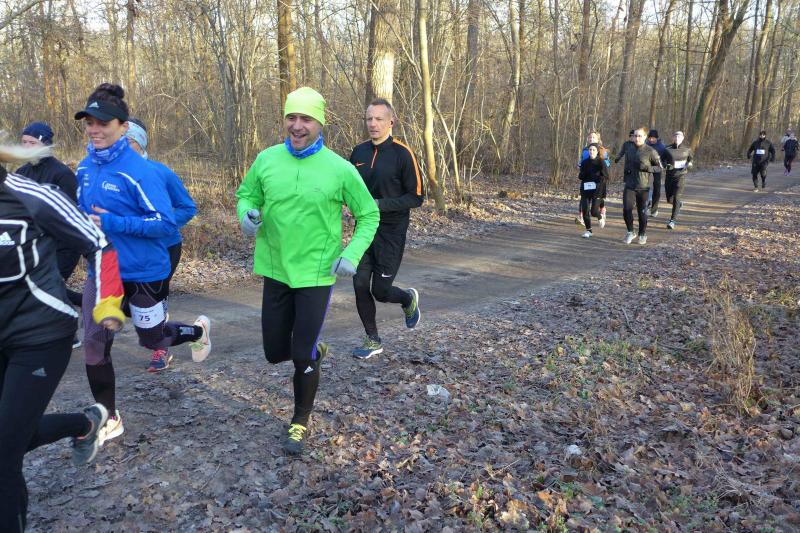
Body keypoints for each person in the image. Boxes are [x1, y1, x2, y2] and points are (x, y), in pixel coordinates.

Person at [236, 87, 379, 455]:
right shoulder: (267, 160)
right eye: (291, 117)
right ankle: (313, 350)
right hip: (276, 268)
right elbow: (247, 195)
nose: (297, 126)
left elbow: (369, 214)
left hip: (316, 274)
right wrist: (246, 216)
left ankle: (299, 420)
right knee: (274, 352)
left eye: (306, 119)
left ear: (320, 123)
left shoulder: (339, 169)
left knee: (300, 354)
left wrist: (352, 254)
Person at [74, 83, 211, 444]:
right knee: (94, 343)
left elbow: (165, 223)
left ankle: (197, 333)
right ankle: (109, 417)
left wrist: (114, 223)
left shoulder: (142, 171)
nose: (95, 129)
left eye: (103, 123)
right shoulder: (84, 168)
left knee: (152, 339)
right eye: (89, 123)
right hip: (103, 271)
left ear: (122, 127)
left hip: (145, 271)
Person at [1, 142, 127, 533]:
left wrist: (107, 302)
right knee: (11, 438)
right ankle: (84, 423)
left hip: (39, 334)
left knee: (3, 453)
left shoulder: (30, 197)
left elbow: (98, 243)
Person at [348, 98, 423, 360]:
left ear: (391, 122)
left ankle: (407, 299)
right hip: (364, 230)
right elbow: (349, 189)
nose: (373, 124)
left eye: (379, 119)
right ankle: (372, 339)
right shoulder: (358, 153)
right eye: (369, 118)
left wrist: (379, 204)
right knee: (359, 283)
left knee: (380, 291)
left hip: (391, 233)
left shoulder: (403, 154)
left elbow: (416, 197)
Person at [126, 117, 198, 371]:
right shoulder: (112, 175)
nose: (123, 146)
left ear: (141, 143)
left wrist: (160, 226)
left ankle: (161, 349)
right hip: (128, 251)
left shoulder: (160, 172)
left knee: (155, 301)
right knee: (128, 305)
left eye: (129, 141)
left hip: (163, 248)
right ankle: (194, 332)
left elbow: (187, 207)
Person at [17, 122, 84, 346]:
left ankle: (67, 333)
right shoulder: (21, 173)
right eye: (24, 142)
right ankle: (89, 304)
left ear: (45, 144)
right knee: (43, 287)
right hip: (34, 245)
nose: (27, 147)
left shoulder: (62, 174)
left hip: (64, 245)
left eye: (32, 143)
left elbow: (71, 215)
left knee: (46, 286)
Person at [614, 127, 662, 244]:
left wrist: (646, 168)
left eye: (639, 136)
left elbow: (659, 168)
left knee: (642, 212)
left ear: (645, 137)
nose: (637, 138)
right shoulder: (629, 148)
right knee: (626, 209)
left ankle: (642, 234)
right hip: (630, 185)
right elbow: (626, 163)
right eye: (635, 136)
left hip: (643, 187)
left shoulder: (650, 151)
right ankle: (630, 232)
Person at [575, 130, 610, 228]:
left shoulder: (602, 150)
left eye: (593, 137)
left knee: (598, 197)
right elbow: (582, 160)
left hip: (598, 178)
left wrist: (599, 165)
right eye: (590, 137)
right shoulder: (585, 150)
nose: (591, 139)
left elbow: (607, 163)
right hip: (587, 178)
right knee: (584, 198)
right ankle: (582, 217)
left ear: (598, 139)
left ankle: (602, 209)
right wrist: (580, 165)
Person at [662, 131, 693, 230]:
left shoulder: (687, 150)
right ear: (673, 138)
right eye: (675, 136)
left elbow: (690, 160)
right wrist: (666, 165)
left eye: (679, 137)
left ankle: (672, 221)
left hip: (681, 176)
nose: (677, 138)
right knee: (669, 200)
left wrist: (689, 164)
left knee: (676, 197)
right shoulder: (667, 149)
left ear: (682, 138)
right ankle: (678, 204)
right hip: (669, 177)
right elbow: (661, 160)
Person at [645, 129, 668, 216]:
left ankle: (654, 209)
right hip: (646, 168)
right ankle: (646, 205)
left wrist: (664, 165)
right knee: (644, 186)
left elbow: (665, 159)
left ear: (657, 138)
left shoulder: (662, 147)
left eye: (653, 138)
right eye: (650, 138)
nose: (651, 139)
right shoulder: (645, 144)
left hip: (657, 169)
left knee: (657, 188)